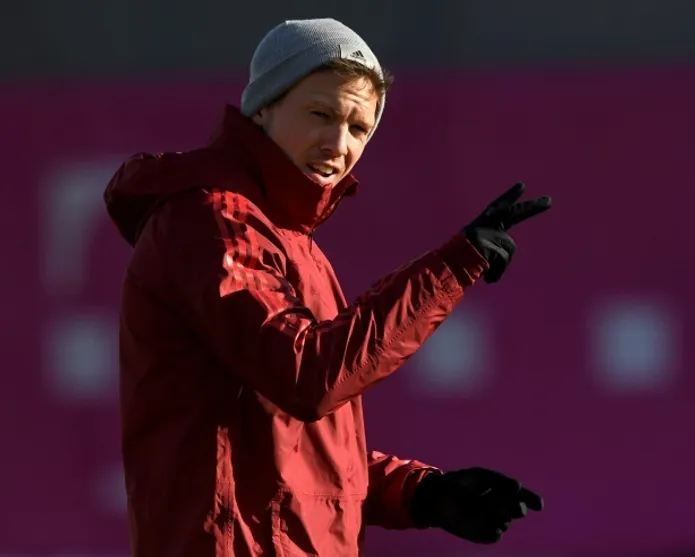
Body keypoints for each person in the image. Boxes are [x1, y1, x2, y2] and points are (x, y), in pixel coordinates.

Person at [104, 17, 551, 557]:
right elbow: (307, 376)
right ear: (263, 107)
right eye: (321, 114)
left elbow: (298, 456)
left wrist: (422, 493)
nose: (339, 144)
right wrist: (450, 268)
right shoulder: (213, 222)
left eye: (359, 128)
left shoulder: (286, 238)